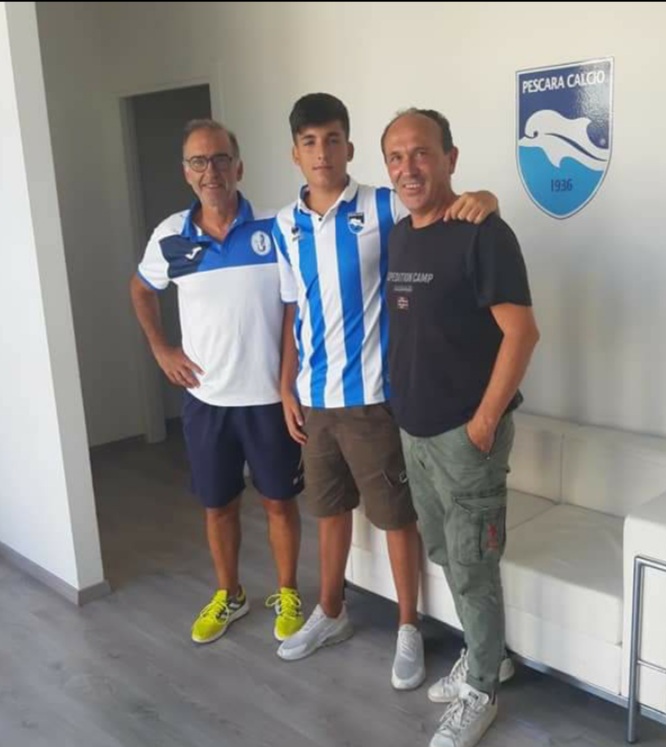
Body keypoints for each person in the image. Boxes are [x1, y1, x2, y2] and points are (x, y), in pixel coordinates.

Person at [271, 92, 499, 692]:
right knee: (327, 511)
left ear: (349, 147)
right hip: (315, 400)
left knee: (397, 518)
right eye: (309, 142)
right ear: (295, 154)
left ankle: (407, 627)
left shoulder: (382, 204)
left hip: (374, 398)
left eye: (332, 140)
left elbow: (446, 203)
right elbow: (293, 310)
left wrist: (488, 198)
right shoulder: (283, 225)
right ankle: (332, 612)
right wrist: (286, 384)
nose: (322, 153)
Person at [381, 107, 539, 746]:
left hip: (465, 437)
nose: (408, 167)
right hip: (415, 432)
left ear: (450, 157)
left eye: (421, 152)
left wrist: (484, 421)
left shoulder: (483, 233)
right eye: (396, 157)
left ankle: (482, 690)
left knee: (473, 564)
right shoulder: (400, 235)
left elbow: (522, 333)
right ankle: (487, 655)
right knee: (447, 553)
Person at [130, 119, 305, 647]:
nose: (212, 171)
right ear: (187, 172)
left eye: (221, 159)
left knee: (279, 502)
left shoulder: (276, 228)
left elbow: (292, 310)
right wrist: (161, 349)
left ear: (239, 167)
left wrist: (287, 385)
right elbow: (141, 289)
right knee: (218, 505)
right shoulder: (170, 235)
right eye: (199, 161)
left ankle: (288, 592)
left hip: (269, 400)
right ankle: (230, 594)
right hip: (207, 401)